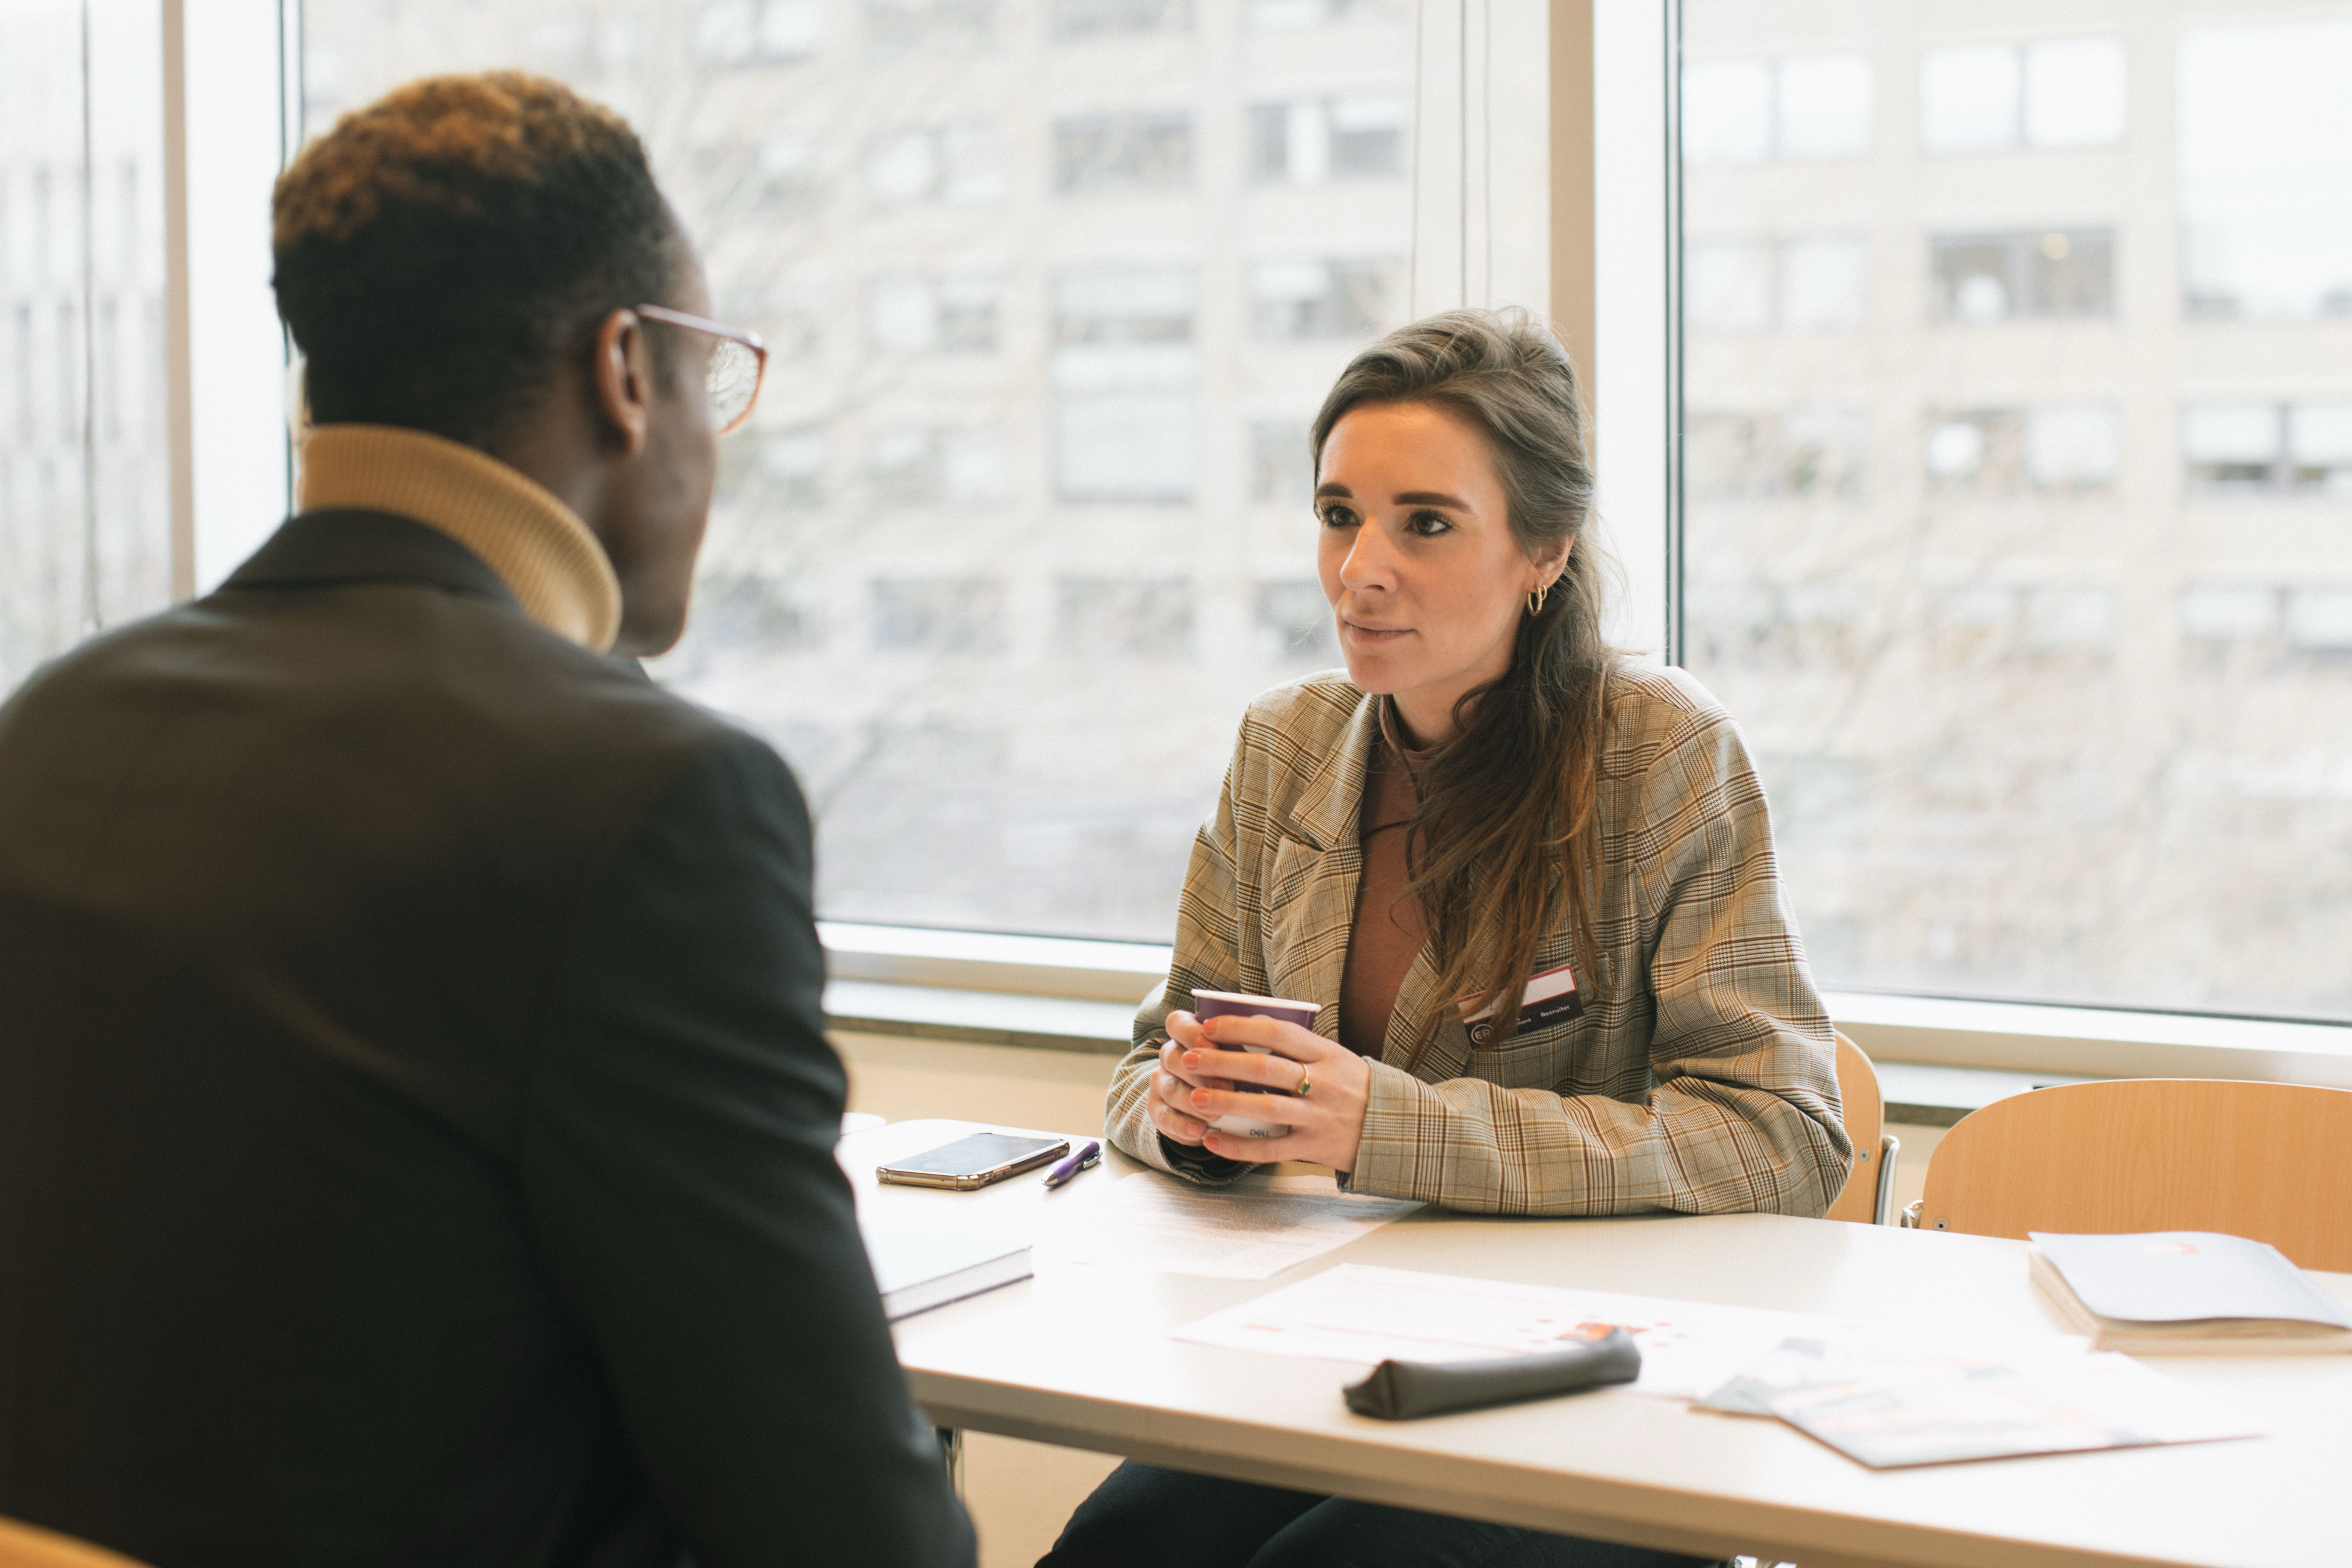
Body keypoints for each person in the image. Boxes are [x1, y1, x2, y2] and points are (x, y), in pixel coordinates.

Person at [0, 73, 973, 1568]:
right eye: (713, 376)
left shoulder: (53, 721)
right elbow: (847, 1527)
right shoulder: (640, 796)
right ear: (624, 375)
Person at [1046, 310, 1850, 1568]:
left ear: (1545, 551)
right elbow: (1147, 1065)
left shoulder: (1660, 753)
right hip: (1338, 1335)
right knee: (1119, 1550)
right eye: (1337, 514)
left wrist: (1384, 1123)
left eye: (1425, 522)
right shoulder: (1286, 748)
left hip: (1595, 1377)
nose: (1361, 567)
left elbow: (1783, 1134)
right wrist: (1195, 1116)